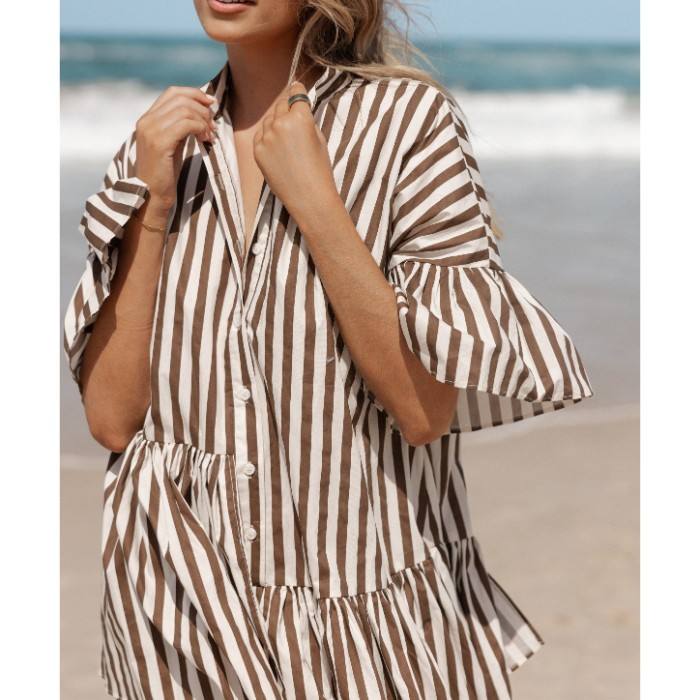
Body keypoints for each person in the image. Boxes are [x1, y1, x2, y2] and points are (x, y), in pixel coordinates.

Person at [63, 1, 594, 697]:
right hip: (178, 612)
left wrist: (316, 202)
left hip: (364, 619)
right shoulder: (158, 145)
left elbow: (422, 410)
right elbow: (111, 420)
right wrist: (153, 208)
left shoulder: (407, 124)